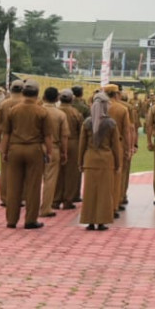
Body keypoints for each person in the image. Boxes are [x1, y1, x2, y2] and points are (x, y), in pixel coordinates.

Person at [0, 81, 53, 229]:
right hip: (34, 149)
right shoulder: (41, 111)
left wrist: (4, 151)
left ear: (23, 94)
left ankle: (11, 220)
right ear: (37, 95)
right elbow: (47, 136)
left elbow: (6, 133)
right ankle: (30, 220)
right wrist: (49, 152)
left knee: (13, 186)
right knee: (33, 186)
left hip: (15, 149)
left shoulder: (13, 110)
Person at [79, 91, 122, 230]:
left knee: (89, 191)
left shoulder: (87, 123)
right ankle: (101, 221)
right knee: (104, 192)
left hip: (90, 160)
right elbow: (116, 146)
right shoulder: (111, 123)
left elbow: (82, 145)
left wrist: (80, 162)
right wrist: (118, 163)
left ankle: (89, 221)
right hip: (106, 160)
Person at [39, 87, 69, 218]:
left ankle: (31, 207)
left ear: (44, 96)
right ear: (57, 98)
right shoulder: (60, 114)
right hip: (54, 147)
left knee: (32, 179)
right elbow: (64, 136)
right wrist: (64, 152)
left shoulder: (37, 111)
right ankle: (45, 208)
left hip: (35, 146)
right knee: (50, 179)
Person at [57, 89, 83, 210]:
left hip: (56, 142)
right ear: (72, 99)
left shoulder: (55, 111)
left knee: (57, 172)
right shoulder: (75, 113)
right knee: (71, 173)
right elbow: (81, 131)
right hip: (73, 142)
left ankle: (55, 200)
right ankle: (68, 200)